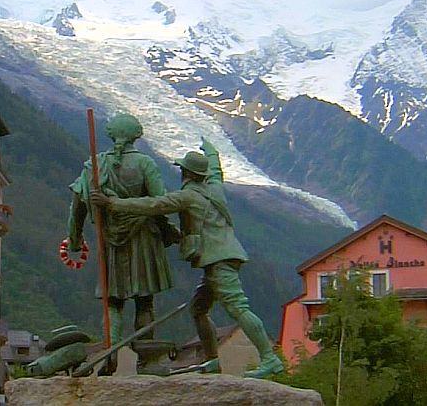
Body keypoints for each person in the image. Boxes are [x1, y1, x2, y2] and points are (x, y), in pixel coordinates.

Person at [91, 137, 285, 379]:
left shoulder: (187, 197)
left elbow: (153, 204)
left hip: (217, 260)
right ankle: (213, 359)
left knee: (238, 307)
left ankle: (269, 358)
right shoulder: (214, 186)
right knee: (198, 309)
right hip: (224, 256)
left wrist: (112, 203)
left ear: (186, 173)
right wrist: (210, 150)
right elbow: (215, 166)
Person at [68, 113, 174, 375]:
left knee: (113, 301)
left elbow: (77, 208)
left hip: (111, 241)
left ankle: (109, 355)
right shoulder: (144, 164)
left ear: (112, 134)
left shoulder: (94, 166)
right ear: (136, 136)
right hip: (144, 238)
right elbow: (161, 203)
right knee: (144, 300)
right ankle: (147, 360)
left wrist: (75, 239)